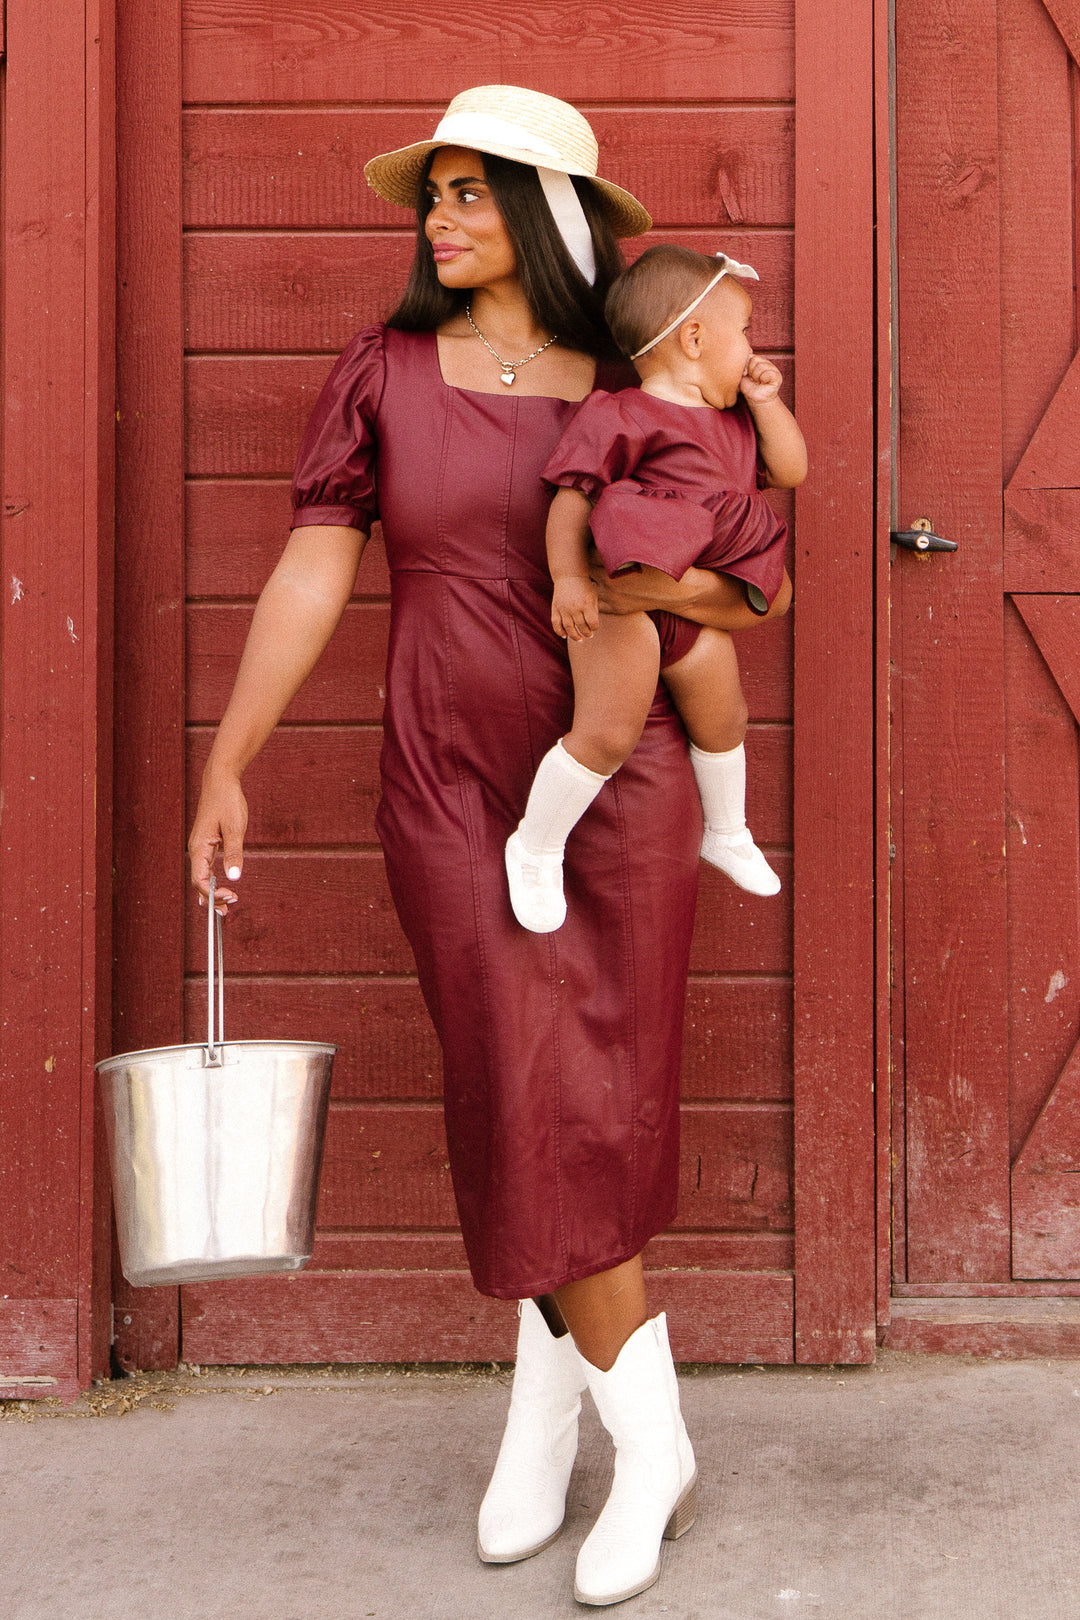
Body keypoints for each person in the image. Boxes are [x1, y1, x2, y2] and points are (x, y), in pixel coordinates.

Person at [186, 85, 790, 1609]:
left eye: (468, 195)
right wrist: (231, 759)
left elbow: (744, 590)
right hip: (451, 780)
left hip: (624, 778)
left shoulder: (645, 374)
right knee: (517, 1072)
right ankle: (645, 1440)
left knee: (597, 1082)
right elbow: (314, 575)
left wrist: (662, 602)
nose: (438, 221)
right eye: (431, 199)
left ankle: (552, 1417)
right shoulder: (383, 371)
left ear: (544, 213)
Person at [504, 244, 805, 934]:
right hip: (620, 607)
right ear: (695, 338)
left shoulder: (735, 423)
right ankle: (537, 844)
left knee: (725, 718)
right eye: (747, 328)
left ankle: (726, 831)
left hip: (697, 604)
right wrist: (569, 578)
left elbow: (790, 471)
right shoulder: (624, 414)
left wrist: (766, 401)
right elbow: (572, 502)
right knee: (607, 735)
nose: (754, 346)